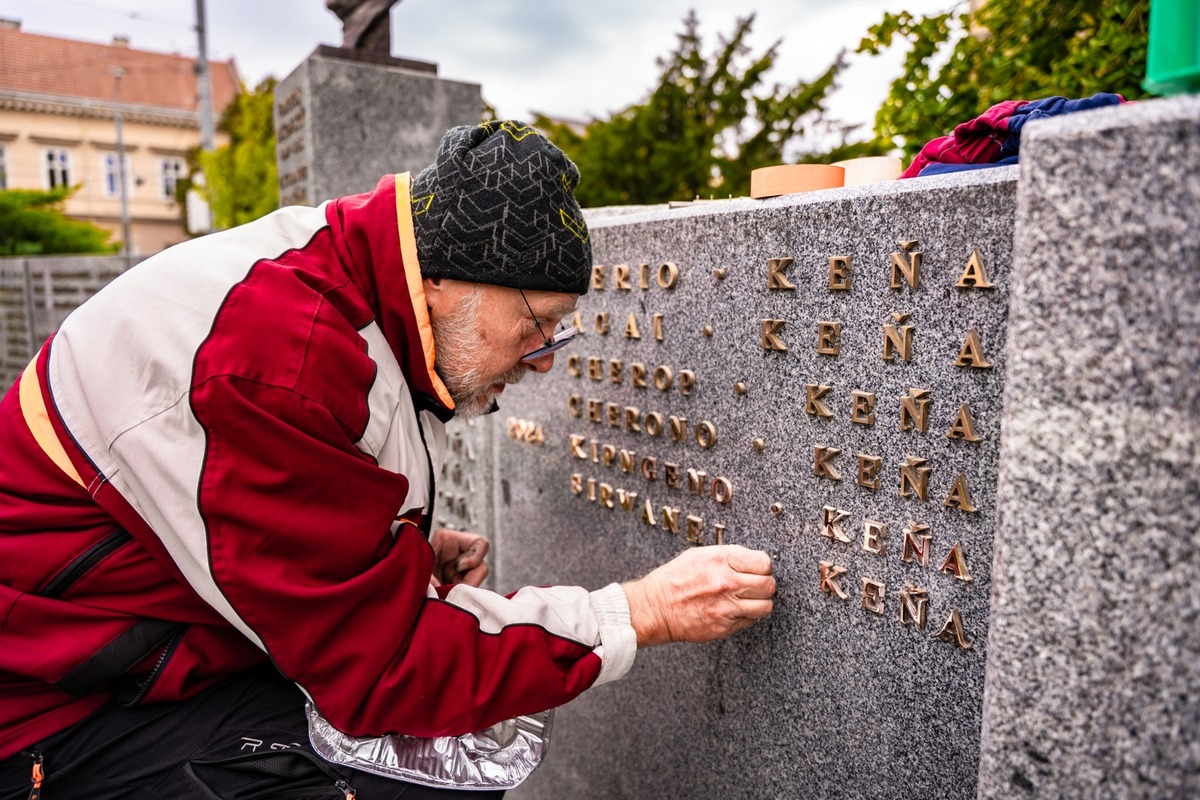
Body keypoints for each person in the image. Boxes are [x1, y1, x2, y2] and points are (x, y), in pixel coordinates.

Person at [0, 120, 775, 798]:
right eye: (539, 322)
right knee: (433, 768)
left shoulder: (345, 285)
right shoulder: (279, 360)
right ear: (441, 280)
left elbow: (265, 515)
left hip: (144, 653)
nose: (544, 359)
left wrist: (386, 545)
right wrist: (641, 612)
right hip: (49, 716)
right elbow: (384, 667)